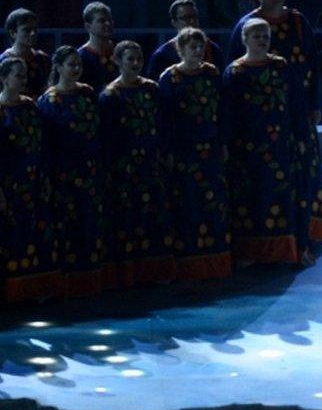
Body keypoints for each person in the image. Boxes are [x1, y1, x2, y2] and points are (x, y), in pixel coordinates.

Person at [227, 0, 322, 254]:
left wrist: (315, 104)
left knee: (304, 173)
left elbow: (313, 65)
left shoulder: (298, 22)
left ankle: (307, 233)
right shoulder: (245, 27)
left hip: (297, 118)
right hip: (258, 124)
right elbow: (232, 75)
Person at [223, 18, 304, 265]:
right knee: (249, 195)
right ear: (245, 39)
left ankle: (281, 251)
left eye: (265, 35)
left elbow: (296, 104)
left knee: (278, 193)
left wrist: (300, 136)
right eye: (256, 36)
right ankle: (249, 252)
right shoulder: (234, 71)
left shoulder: (281, 67)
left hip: (278, 144)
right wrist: (225, 143)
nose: (262, 40)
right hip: (245, 146)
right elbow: (226, 112)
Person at [158, 28, 233, 281]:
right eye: (192, 47)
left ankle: (216, 258)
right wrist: (167, 151)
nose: (198, 51)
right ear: (180, 49)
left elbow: (223, 111)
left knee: (212, 200)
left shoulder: (212, 74)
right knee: (186, 201)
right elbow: (165, 119)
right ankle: (186, 262)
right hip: (184, 151)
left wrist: (223, 143)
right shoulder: (170, 78)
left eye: (201, 47)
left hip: (209, 148)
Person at [99, 41, 175, 286]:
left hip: (150, 162)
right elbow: (108, 136)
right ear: (118, 61)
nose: (135, 63)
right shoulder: (110, 95)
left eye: (138, 58)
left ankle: (155, 271)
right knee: (128, 217)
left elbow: (163, 124)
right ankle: (127, 274)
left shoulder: (151, 89)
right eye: (129, 59)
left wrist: (165, 153)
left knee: (153, 214)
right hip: (125, 165)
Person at [37, 46, 108, 297]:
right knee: (67, 223)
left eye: (78, 64)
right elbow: (46, 142)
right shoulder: (49, 100)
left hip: (88, 168)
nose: (76, 69)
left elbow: (98, 130)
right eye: (71, 65)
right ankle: (66, 283)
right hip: (64, 171)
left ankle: (91, 280)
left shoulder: (88, 93)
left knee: (90, 220)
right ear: (58, 68)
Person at [0, 57, 60, 303]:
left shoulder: (30, 107)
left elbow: (43, 144)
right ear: (4, 78)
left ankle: (35, 288)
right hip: (9, 182)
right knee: (11, 236)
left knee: (35, 231)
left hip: (33, 178)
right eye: (18, 76)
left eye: (25, 76)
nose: (23, 80)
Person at [146, 0, 224, 81]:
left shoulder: (212, 49)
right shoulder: (162, 55)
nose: (192, 21)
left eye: (194, 16)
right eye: (186, 18)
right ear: (174, 23)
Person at [0, 8, 51, 98]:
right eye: (27, 30)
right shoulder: (3, 62)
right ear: (13, 33)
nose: (33, 33)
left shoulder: (42, 59)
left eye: (35, 29)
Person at [77, 2, 116, 95]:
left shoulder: (121, 52)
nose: (108, 23)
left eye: (110, 20)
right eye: (102, 21)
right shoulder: (80, 57)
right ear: (88, 26)